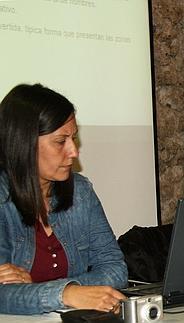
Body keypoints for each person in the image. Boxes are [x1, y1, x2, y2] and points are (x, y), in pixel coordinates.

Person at [0, 84, 127, 314]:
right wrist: (66, 294)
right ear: (23, 143)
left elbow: (116, 269)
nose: (74, 152)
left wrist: (64, 291)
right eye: (61, 141)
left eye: (73, 139)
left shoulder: (80, 191)